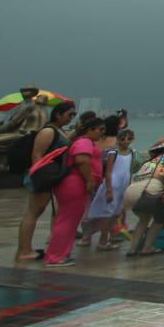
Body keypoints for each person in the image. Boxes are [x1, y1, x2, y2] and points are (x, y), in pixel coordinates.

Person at [14, 101, 75, 261]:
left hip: (47, 177)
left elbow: (64, 143)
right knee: (33, 213)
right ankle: (24, 251)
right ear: (58, 114)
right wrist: (42, 178)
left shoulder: (58, 131)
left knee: (35, 212)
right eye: (70, 114)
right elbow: (37, 155)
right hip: (41, 178)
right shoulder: (48, 131)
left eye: (73, 115)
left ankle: (26, 249)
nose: (71, 118)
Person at [43, 114, 104, 267]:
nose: (102, 133)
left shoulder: (83, 141)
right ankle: (55, 257)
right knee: (67, 221)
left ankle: (61, 253)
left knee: (69, 220)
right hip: (74, 184)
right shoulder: (84, 142)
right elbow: (82, 160)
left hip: (74, 184)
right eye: (100, 129)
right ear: (90, 129)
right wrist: (90, 179)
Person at [125, 141, 164, 256]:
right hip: (149, 189)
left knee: (143, 219)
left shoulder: (150, 160)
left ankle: (132, 250)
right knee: (160, 219)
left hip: (130, 191)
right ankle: (147, 248)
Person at [83, 117, 131, 251]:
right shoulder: (116, 144)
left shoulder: (97, 140)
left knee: (91, 210)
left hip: (96, 177)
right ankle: (108, 238)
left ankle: (86, 238)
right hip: (110, 180)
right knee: (112, 212)